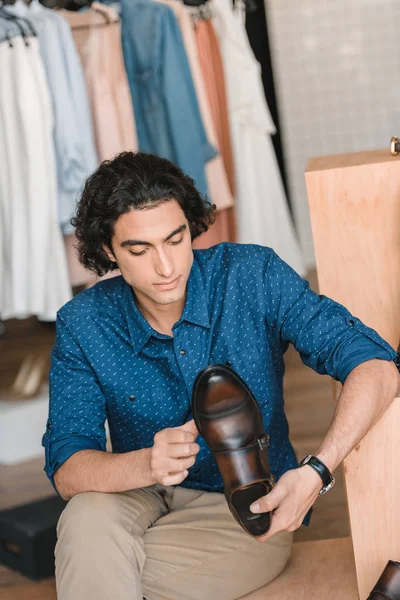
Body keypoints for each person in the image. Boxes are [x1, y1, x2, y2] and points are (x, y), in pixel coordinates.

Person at [43, 151, 399, 600]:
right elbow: (68, 470)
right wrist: (146, 463)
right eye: (140, 250)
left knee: (90, 564)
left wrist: (318, 470)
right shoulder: (84, 323)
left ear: (191, 227)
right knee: (84, 518)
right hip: (135, 491)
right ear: (108, 250)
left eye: (175, 240)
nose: (167, 267)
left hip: (241, 510)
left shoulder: (253, 275)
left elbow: (377, 367)